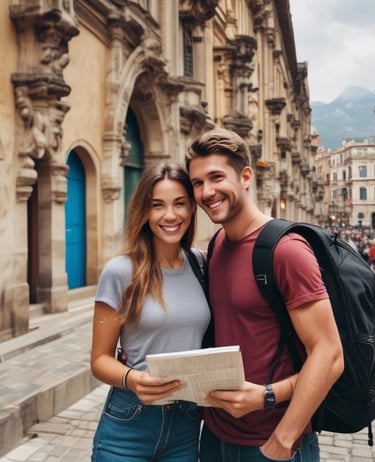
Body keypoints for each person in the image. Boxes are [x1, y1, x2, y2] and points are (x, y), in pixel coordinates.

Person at [185, 128, 344, 462]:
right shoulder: (216, 245)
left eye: (216, 177)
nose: (206, 192)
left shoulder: (286, 251)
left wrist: (281, 437)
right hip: (215, 436)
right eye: (197, 182)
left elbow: (329, 354)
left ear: (245, 177)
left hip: (271, 441)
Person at [90, 161, 211, 461]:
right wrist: (133, 378)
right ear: (144, 211)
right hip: (129, 422)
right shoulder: (120, 271)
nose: (170, 215)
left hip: (186, 423)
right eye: (158, 205)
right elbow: (99, 360)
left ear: (192, 209)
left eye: (179, 204)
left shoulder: (201, 264)